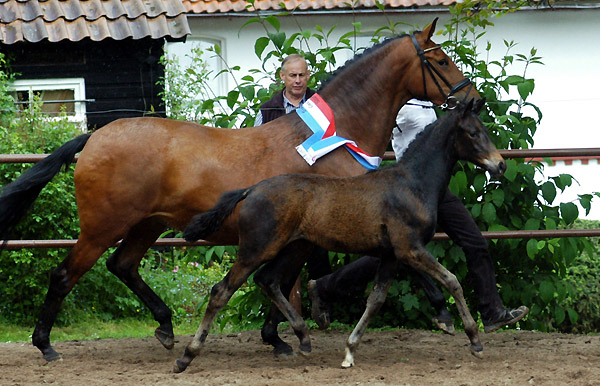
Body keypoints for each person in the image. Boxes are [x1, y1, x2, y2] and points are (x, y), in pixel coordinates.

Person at [308, 99, 529, 333]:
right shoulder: (401, 104)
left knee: (474, 242)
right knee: (395, 251)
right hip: (408, 191)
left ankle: (491, 312)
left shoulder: (427, 100)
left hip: (436, 189)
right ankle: (326, 288)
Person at [254, 54, 315, 126]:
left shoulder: (320, 104)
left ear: (308, 75)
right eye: (293, 75)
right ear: (282, 75)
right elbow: (255, 136)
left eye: (301, 75)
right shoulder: (267, 111)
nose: (298, 81)